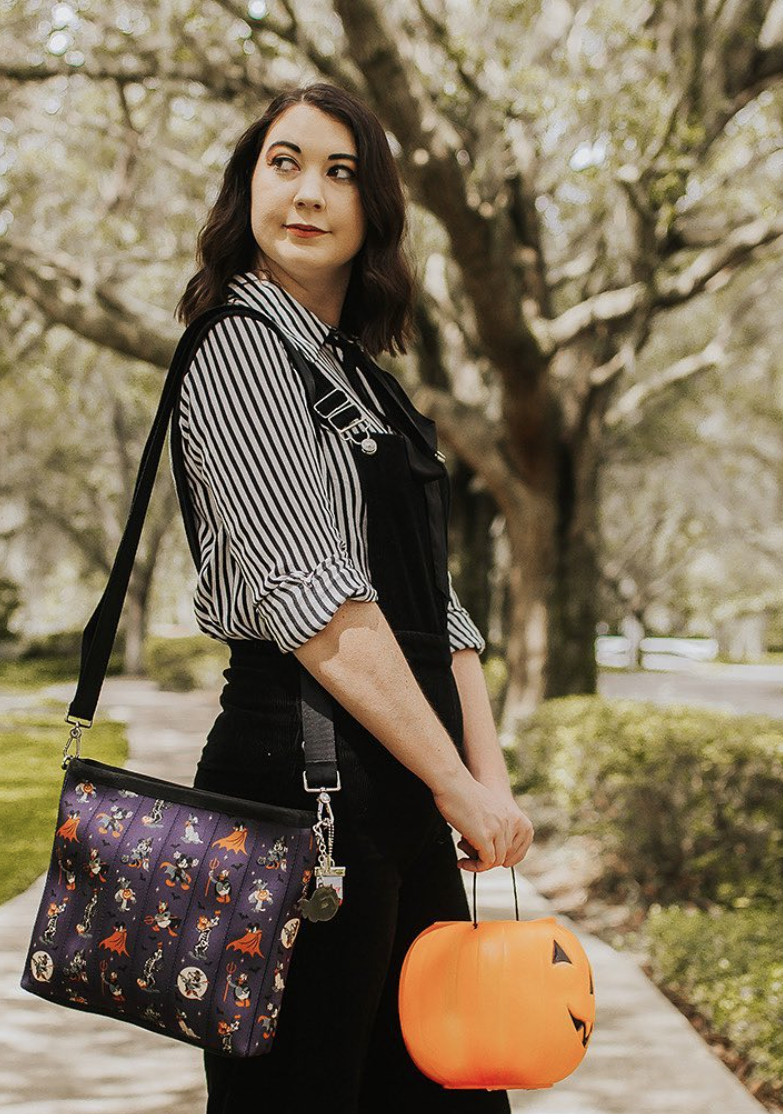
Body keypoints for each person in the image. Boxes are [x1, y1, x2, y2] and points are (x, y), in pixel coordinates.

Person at [169, 81, 533, 1114]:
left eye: (341, 172)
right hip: (301, 785)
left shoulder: (366, 379)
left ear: (373, 209)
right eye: (284, 163)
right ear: (246, 187)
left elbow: (438, 606)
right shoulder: (238, 350)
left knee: (441, 1092)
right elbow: (320, 606)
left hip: (404, 782)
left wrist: (486, 781)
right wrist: (455, 782)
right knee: (301, 1095)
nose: (308, 192)